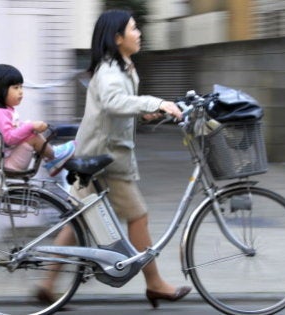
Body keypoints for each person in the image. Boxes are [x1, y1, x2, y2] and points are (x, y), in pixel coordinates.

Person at [36, 9, 191, 308]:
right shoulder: (110, 70)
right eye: (134, 29)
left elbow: (119, 109)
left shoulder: (123, 68)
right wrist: (157, 101)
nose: (139, 33)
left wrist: (144, 113)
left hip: (96, 154)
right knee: (138, 216)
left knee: (77, 219)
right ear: (118, 38)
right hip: (105, 160)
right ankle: (155, 283)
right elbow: (113, 102)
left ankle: (47, 284)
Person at [0, 64, 75, 176]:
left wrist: (27, 126)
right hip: (9, 164)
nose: (21, 91)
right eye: (16, 88)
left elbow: (14, 132)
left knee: (31, 132)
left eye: (21, 87)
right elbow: (8, 139)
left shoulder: (5, 111)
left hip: (10, 160)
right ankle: (54, 156)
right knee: (33, 137)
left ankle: (51, 157)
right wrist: (30, 126)